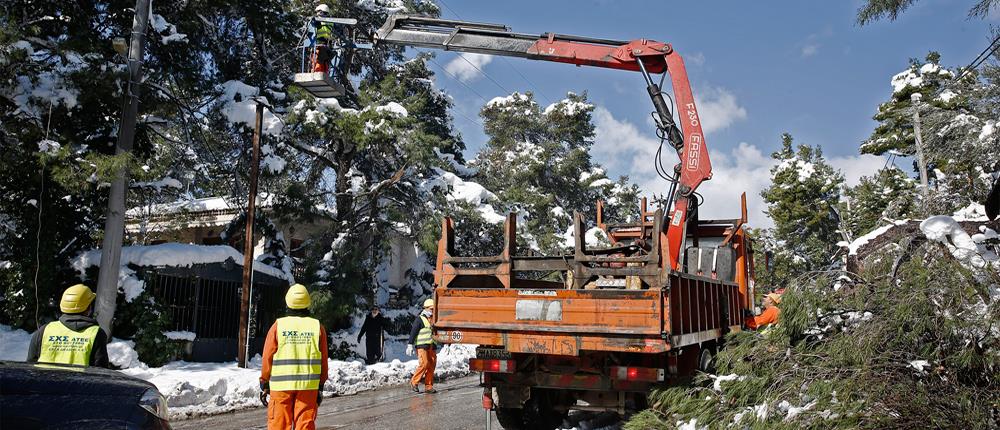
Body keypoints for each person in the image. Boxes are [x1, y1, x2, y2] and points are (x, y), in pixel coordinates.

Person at [260, 284, 329, 430]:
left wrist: (265, 382)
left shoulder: (278, 326)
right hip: (308, 386)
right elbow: (323, 360)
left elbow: (267, 356)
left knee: (279, 425)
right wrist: (320, 385)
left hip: (281, 388)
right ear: (308, 302)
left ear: (287, 301)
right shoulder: (317, 327)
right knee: (304, 425)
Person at [26, 284, 110, 368]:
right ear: (88, 309)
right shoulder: (96, 334)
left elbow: (30, 366)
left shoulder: (44, 331)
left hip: (45, 380)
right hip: (80, 381)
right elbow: (101, 372)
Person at [406, 298, 437, 394]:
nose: (432, 311)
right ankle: (414, 382)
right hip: (422, 346)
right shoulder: (420, 319)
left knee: (431, 365)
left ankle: (428, 386)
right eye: (431, 309)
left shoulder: (434, 319)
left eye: (433, 309)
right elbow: (413, 332)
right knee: (424, 364)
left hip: (432, 345)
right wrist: (410, 344)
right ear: (426, 308)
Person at [311, 4, 336, 73]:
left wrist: (313, 19)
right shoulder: (331, 22)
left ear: (321, 12)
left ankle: (318, 72)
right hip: (327, 43)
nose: (317, 14)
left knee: (318, 60)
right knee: (325, 61)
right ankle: (324, 73)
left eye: (318, 12)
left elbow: (314, 24)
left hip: (320, 42)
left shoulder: (319, 21)